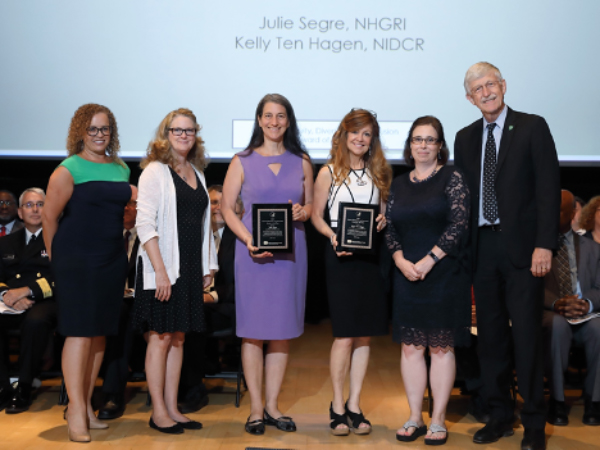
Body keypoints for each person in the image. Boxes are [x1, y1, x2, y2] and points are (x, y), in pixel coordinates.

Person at [453, 62, 561, 450]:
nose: (486, 92)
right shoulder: (464, 138)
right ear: (470, 98)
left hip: (524, 252)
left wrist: (545, 243)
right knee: (491, 340)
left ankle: (534, 422)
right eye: (477, 89)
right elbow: (463, 200)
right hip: (482, 251)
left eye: (490, 84)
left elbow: (549, 189)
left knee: (528, 338)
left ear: (503, 85)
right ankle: (499, 414)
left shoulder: (532, 126)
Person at [222, 93, 313, 435]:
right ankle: (255, 408)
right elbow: (228, 209)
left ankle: (273, 406)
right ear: (259, 120)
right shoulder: (241, 161)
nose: (274, 122)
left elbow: (311, 208)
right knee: (252, 333)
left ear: (289, 121)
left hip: (291, 255)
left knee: (281, 332)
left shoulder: (302, 160)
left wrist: (303, 212)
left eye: (281, 116)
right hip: (252, 255)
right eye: (268, 116)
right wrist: (247, 239)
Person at [42, 104, 131, 443]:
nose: (99, 134)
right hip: (75, 261)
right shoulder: (68, 169)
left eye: (105, 128)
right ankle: (75, 410)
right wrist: (56, 259)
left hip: (110, 259)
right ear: (80, 131)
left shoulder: (120, 167)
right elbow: (50, 218)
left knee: (99, 334)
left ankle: (88, 407)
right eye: (93, 129)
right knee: (78, 334)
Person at [386, 116, 471, 445]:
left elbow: (458, 224)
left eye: (430, 140)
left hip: (443, 275)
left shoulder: (452, 177)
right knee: (410, 348)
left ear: (440, 146)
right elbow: (390, 228)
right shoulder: (398, 183)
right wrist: (400, 260)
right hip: (407, 274)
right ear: (410, 145)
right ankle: (413, 417)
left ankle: (438, 420)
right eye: (417, 139)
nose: (423, 145)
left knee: (439, 348)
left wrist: (428, 260)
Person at [132, 108, 217, 435]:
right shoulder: (154, 171)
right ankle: (158, 412)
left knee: (178, 338)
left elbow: (204, 224)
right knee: (161, 336)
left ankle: (172, 407)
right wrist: (161, 272)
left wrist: (208, 265)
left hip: (190, 269)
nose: (184, 135)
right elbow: (144, 224)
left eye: (190, 130)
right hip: (162, 269)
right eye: (177, 130)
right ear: (165, 134)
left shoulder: (196, 171)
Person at [311, 108, 391, 436]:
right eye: (355, 132)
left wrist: (383, 221)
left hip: (370, 260)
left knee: (364, 334)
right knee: (344, 335)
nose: (360, 139)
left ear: (373, 139)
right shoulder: (328, 172)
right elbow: (317, 215)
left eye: (367, 133)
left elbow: (382, 215)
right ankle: (337, 405)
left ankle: (355, 404)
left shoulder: (380, 174)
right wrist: (332, 236)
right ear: (344, 135)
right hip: (339, 259)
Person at [543, 190, 600, 427]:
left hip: (585, 311)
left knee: (599, 328)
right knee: (557, 326)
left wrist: (586, 303)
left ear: (573, 213)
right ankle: (557, 401)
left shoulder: (593, 248)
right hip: (551, 312)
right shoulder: (537, 246)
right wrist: (557, 303)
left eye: (558, 210)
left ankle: (594, 401)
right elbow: (529, 287)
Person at [0, 188, 56, 414]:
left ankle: (24, 385)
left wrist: (28, 291)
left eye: (40, 204)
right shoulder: (6, 242)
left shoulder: (59, 239)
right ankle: (3, 386)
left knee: (36, 322)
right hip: (10, 301)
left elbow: (63, 278)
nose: (35, 209)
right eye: (29, 205)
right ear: (20, 213)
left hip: (47, 300)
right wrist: (6, 295)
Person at [97, 186, 140, 420]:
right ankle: (80, 398)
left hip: (143, 301)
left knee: (122, 317)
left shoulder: (150, 235)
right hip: (106, 299)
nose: (125, 207)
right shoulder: (102, 235)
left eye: (131, 203)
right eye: (121, 203)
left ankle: (113, 394)